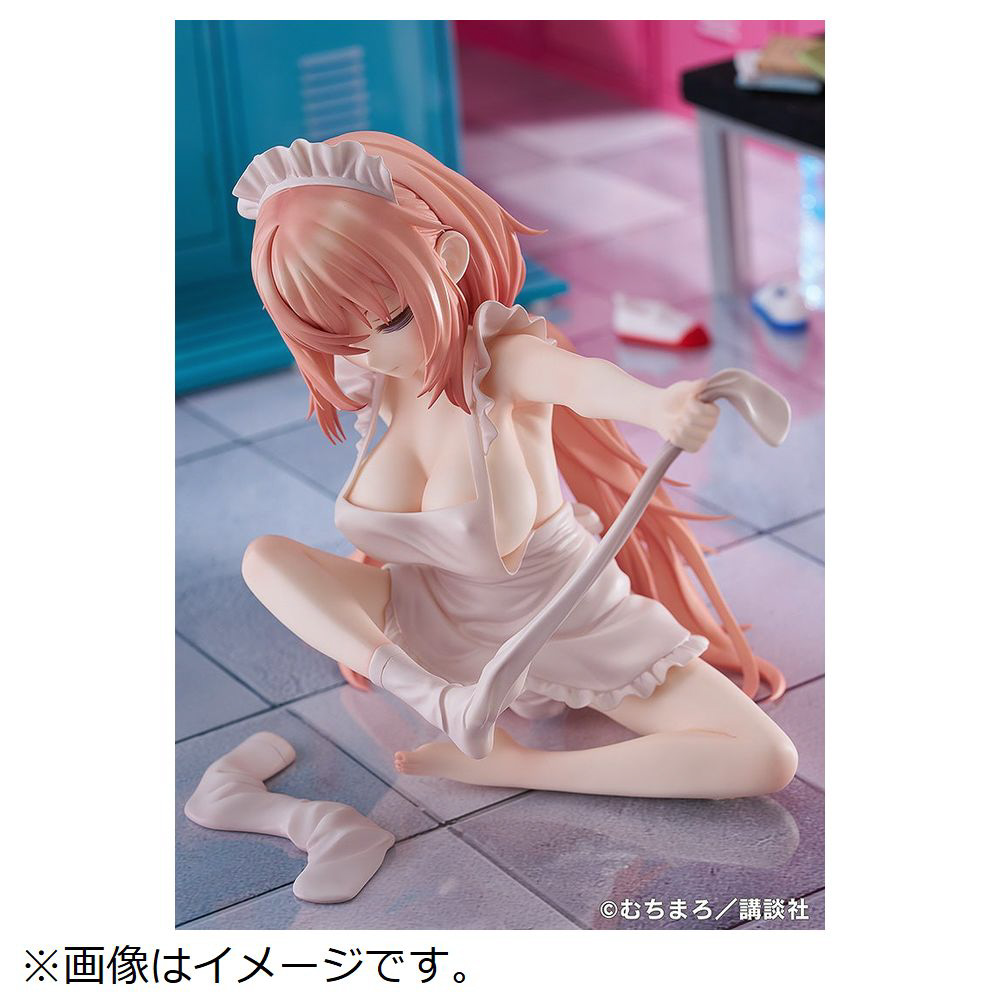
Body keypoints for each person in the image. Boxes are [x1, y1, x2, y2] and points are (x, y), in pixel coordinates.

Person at [234, 132, 798, 799]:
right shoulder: (376, 374)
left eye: (390, 320)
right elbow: (367, 355)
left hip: (564, 624)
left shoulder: (500, 360)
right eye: (333, 335)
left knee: (764, 758)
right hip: (429, 622)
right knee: (265, 560)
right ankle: (437, 699)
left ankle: (517, 767)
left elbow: (581, 380)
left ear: (448, 259)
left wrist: (659, 405)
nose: (368, 352)